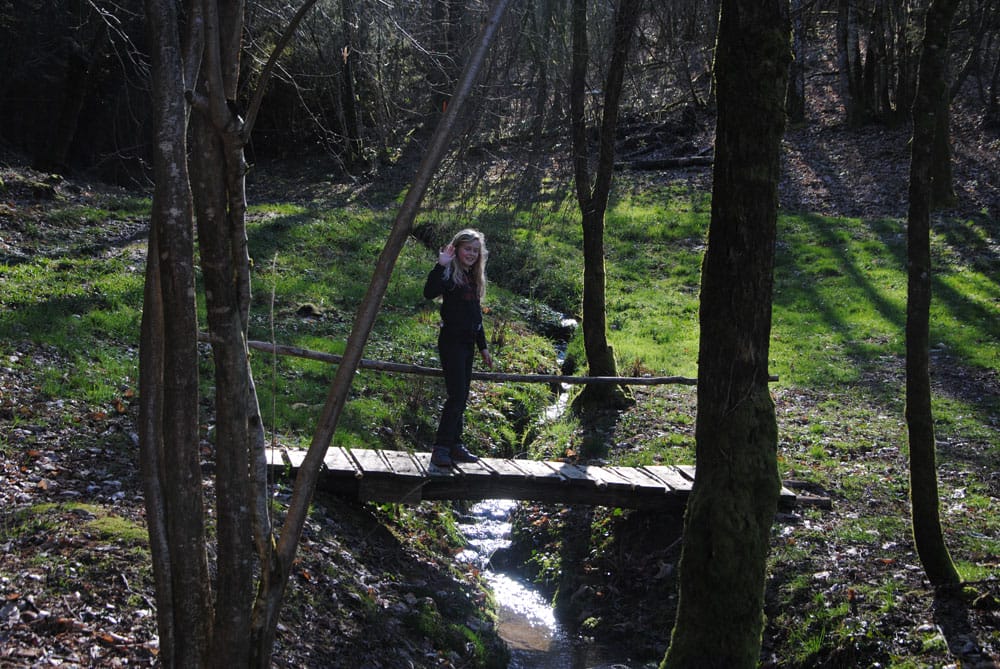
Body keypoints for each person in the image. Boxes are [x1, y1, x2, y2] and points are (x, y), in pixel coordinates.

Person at [423, 228, 494, 467]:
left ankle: (455, 444)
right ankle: (441, 447)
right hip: (451, 342)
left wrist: (483, 347)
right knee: (456, 395)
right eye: (467, 249)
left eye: (475, 251)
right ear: (457, 249)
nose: (471, 254)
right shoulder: (449, 275)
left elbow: (476, 317)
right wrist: (440, 264)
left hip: (467, 343)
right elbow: (429, 292)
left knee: (462, 395)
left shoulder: (472, 278)